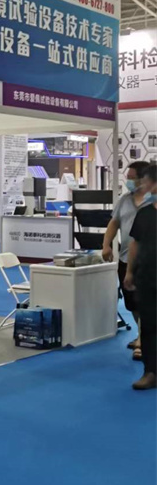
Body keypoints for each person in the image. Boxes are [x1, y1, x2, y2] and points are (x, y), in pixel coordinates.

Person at [102, 160, 151, 359]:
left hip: (149, 260)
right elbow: (114, 223)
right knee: (131, 302)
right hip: (126, 258)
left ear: (144, 179)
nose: (128, 181)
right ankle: (142, 335)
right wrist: (106, 244)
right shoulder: (124, 200)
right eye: (127, 177)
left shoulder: (153, 201)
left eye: (132, 178)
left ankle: (144, 342)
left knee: (147, 301)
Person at [124, 164, 157, 390]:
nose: (143, 186)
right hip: (146, 277)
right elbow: (135, 243)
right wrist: (129, 272)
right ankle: (151, 372)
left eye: (146, 182)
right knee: (149, 326)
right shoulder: (144, 213)